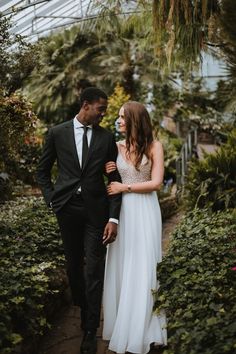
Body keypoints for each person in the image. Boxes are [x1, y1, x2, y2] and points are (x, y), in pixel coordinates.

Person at [36, 87, 122, 354]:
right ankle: (84, 309)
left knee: (93, 269)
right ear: (86, 105)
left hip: (96, 212)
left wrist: (113, 217)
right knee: (74, 267)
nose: (103, 114)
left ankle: (89, 330)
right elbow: (42, 171)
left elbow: (114, 179)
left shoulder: (106, 137)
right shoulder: (57, 132)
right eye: (101, 108)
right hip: (67, 209)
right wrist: (51, 199)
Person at [102, 101, 167, 354]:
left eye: (122, 118)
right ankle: (122, 323)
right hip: (122, 213)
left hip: (145, 210)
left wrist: (123, 187)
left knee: (142, 265)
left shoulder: (154, 146)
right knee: (121, 265)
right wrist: (108, 170)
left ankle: (141, 328)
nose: (118, 121)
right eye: (118, 117)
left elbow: (157, 183)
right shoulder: (116, 147)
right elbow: (110, 178)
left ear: (135, 120)